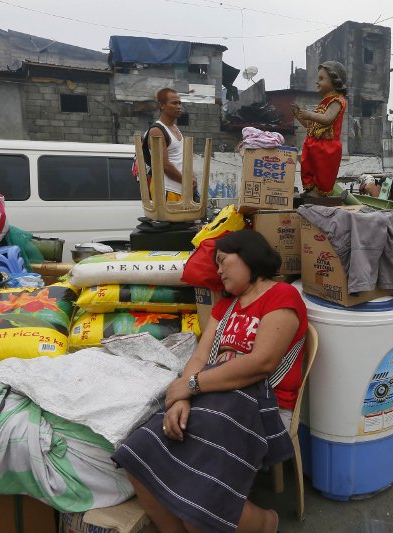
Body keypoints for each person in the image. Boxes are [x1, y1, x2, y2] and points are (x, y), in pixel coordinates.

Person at [112, 229, 308, 533]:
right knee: (138, 455)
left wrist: (190, 387)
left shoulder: (281, 295)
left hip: (257, 404)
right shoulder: (225, 306)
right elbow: (200, 358)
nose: (218, 270)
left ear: (247, 255)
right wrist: (180, 399)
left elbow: (261, 363)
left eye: (222, 260)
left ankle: (266, 523)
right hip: (213, 395)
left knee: (196, 503)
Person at [291, 61, 348, 197]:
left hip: (326, 146)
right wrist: (299, 116)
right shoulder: (323, 102)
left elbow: (328, 118)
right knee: (307, 167)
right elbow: (310, 126)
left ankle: (319, 193)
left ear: (334, 81)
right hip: (313, 142)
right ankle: (310, 190)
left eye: (321, 79)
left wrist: (309, 114)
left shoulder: (337, 101)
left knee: (322, 172)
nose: (317, 82)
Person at [147, 88, 198, 202]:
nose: (179, 106)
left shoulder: (175, 128)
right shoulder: (157, 130)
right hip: (167, 190)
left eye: (180, 103)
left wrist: (191, 177)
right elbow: (165, 165)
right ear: (162, 105)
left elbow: (179, 159)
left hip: (180, 191)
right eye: (174, 103)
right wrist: (187, 180)